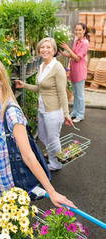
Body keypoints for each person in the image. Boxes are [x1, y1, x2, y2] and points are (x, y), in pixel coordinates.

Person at [0, 56, 76, 209]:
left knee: (16, 230)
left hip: (9, 188)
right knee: (7, 228)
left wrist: (51, 192)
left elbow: (28, 156)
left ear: (1, 79)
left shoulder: (11, 113)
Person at [15, 37, 73, 171]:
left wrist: (66, 114)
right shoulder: (42, 65)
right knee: (42, 135)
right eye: (42, 47)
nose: (45, 50)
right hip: (42, 109)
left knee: (53, 139)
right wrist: (24, 85)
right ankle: (53, 154)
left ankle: (56, 163)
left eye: (48, 47)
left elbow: (62, 93)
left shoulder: (57, 68)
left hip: (53, 111)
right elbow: (40, 88)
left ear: (54, 50)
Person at [60, 23, 90, 123]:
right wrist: (65, 54)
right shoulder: (76, 41)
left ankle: (80, 115)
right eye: (76, 30)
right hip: (73, 70)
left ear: (84, 30)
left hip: (80, 71)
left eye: (80, 30)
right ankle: (75, 112)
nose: (77, 32)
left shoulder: (85, 43)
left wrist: (67, 48)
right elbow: (73, 55)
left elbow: (77, 58)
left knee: (80, 94)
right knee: (75, 93)